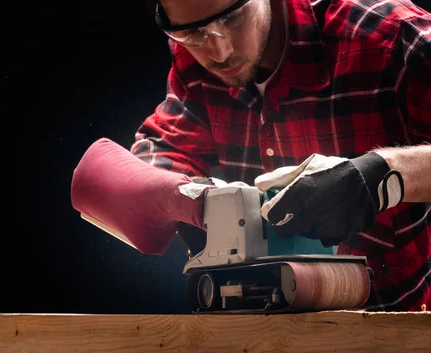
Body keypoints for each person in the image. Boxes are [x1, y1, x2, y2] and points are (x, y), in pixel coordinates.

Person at [71, 0, 431, 312]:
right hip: (260, 336)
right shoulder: (194, 65)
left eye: (232, 18)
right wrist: (183, 197)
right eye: (192, 33)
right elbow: (157, 152)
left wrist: (385, 175)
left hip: (400, 329)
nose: (219, 51)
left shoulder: (389, 34)